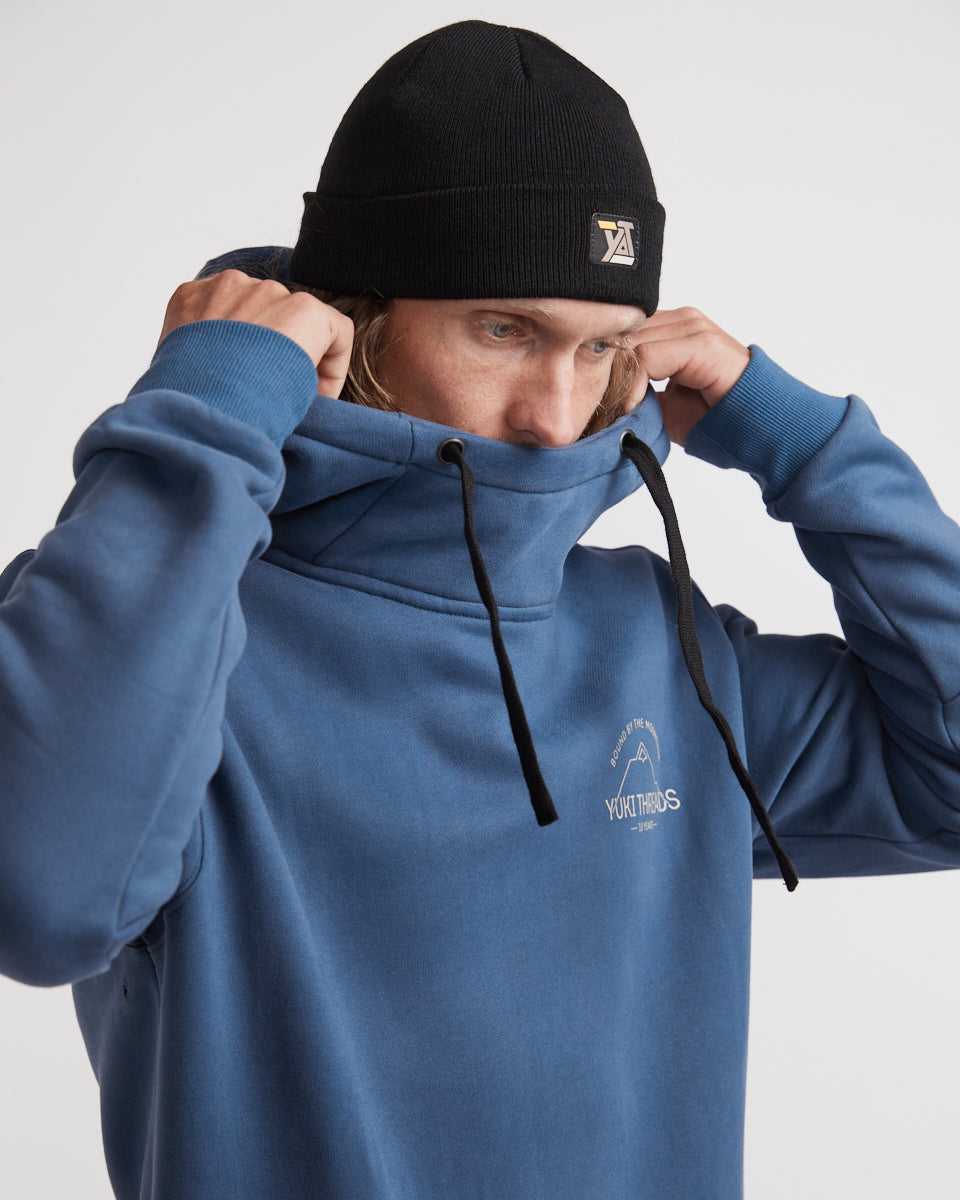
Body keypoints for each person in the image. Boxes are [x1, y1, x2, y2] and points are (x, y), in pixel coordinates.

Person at [1, 18, 958, 1200]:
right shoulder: (162, 628)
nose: (556, 414)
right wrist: (207, 411)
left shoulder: (662, 647)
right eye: (505, 330)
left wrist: (807, 447)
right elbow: (38, 900)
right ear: (356, 318)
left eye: (601, 349)